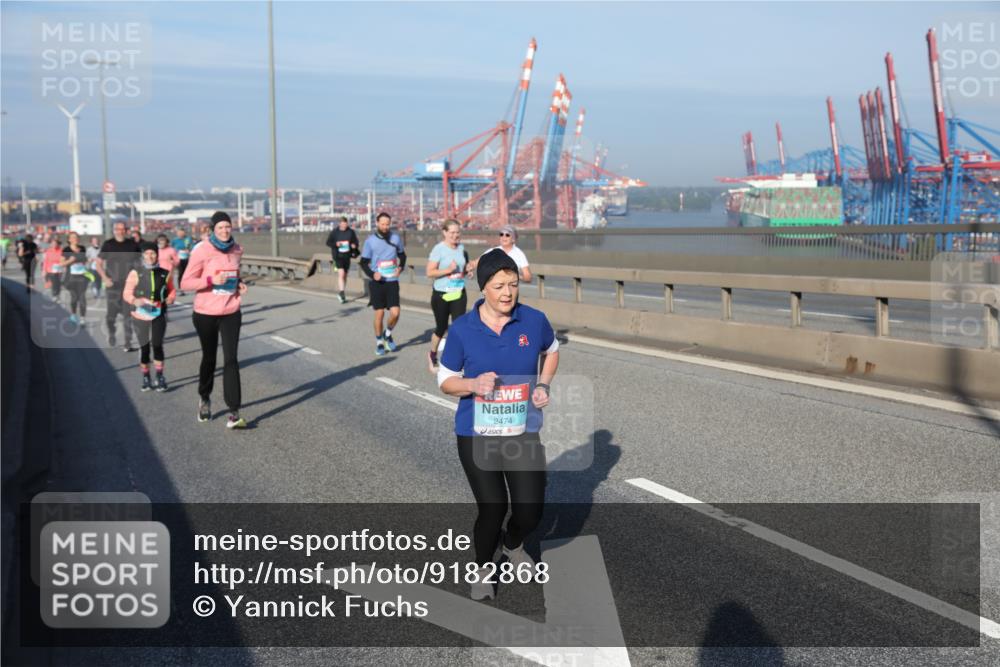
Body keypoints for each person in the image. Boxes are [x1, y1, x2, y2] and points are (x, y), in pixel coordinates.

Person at [438, 248, 559, 600]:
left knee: (530, 511)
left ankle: (513, 544)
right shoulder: (462, 330)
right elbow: (445, 380)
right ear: (483, 288)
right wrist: (473, 385)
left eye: (512, 284)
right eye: (497, 286)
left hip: (522, 432)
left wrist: (543, 384)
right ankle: (481, 567)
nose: (507, 293)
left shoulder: (534, 321)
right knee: (493, 507)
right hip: (476, 434)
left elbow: (551, 350)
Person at [180, 211, 248, 429]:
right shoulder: (202, 250)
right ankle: (205, 398)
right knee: (209, 358)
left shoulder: (237, 249)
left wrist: (239, 283)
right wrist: (211, 280)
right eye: (220, 227)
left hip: (231, 311)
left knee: (231, 360)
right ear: (213, 229)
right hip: (205, 313)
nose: (225, 230)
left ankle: (234, 412)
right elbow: (186, 283)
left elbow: (234, 273)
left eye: (227, 226)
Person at [123, 242, 176, 392]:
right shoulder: (135, 272)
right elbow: (127, 293)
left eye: (152, 253)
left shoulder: (165, 273)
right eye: (147, 253)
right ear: (142, 256)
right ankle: (146, 377)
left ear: (157, 255)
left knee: (157, 344)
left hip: (159, 313)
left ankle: (160, 376)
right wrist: (135, 300)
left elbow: (171, 290)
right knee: (144, 347)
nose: (150, 256)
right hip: (140, 315)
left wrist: (171, 298)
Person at [425, 219, 475, 372]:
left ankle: (458, 361)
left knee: (459, 327)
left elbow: (462, 268)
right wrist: (447, 270)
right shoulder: (438, 249)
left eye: (457, 232)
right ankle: (432, 355)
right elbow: (429, 272)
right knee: (441, 328)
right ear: (444, 233)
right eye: (452, 232)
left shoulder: (461, 248)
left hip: (458, 292)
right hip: (442, 294)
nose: (455, 235)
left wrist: (468, 271)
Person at [359, 212, 406, 356]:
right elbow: (363, 262)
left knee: (395, 313)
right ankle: (379, 342)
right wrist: (373, 274)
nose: (385, 227)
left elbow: (402, 255)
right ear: (377, 224)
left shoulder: (396, 238)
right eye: (382, 224)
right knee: (379, 314)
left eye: (387, 224)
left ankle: (388, 333)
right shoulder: (370, 241)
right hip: (377, 283)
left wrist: (400, 267)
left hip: (392, 281)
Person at [96, 222, 141, 351]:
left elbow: (140, 263)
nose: (120, 231)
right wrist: (105, 278)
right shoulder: (108, 244)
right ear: (114, 230)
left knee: (128, 314)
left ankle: (128, 343)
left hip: (129, 285)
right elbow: (98, 263)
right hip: (113, 284)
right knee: (111, 314)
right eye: (117, 229)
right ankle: (111, 333)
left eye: (122, 229)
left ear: (126, 230)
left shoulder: (133, 245)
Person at [324, 216, 359, 303]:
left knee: (345, 276)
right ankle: (342, 293)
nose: (344, 225)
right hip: (337, 256)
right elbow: (328, 242)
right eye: (342, 224)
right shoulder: (335, 232)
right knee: (341, 273)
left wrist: (354, 245)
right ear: (339, 224)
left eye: (345, 223)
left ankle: (341, 292)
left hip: (347, 256)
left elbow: (355, 242)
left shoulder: (351, 232)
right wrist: (336, 244)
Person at [60, 231, 92, 324]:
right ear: (69, 240)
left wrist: (87, 261)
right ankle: (73, 314)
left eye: (77, 237)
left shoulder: (82, 248)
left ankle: (82, 318)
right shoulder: (66, 250)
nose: (75, 239)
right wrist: (70, 261)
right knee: (74, 297)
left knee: (82, 297)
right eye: (73, 237)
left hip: (82, 277)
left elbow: (84, 260)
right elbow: (61, 263)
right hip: (71, 278)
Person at [170, 227, 194, 295]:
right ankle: (181, 289)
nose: (180, 234)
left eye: (182, 233)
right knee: (180, 273)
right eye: (179, 233)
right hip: (178, 259)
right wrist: (176, 252)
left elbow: (192, 246)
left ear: (184, 233)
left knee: (186, 273)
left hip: (186, 258)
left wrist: (189, 250)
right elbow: (170, 249)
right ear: (177, 233)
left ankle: (186, 286)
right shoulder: (175, 240)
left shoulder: (188, 239)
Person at [42, 236, 65, 301]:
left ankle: (57, 294)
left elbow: (64, 259)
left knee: (59, 283)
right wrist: (44, 270)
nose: (54, 245)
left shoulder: (61, 251)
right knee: (54, 282)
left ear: (57, 244)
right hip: (51, 269)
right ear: (51, 244)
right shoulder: (48, 251)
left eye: (55, 244)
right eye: (52, 244)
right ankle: (54, 295)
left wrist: (63, 265)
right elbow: (45, 261)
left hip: (59, 269)